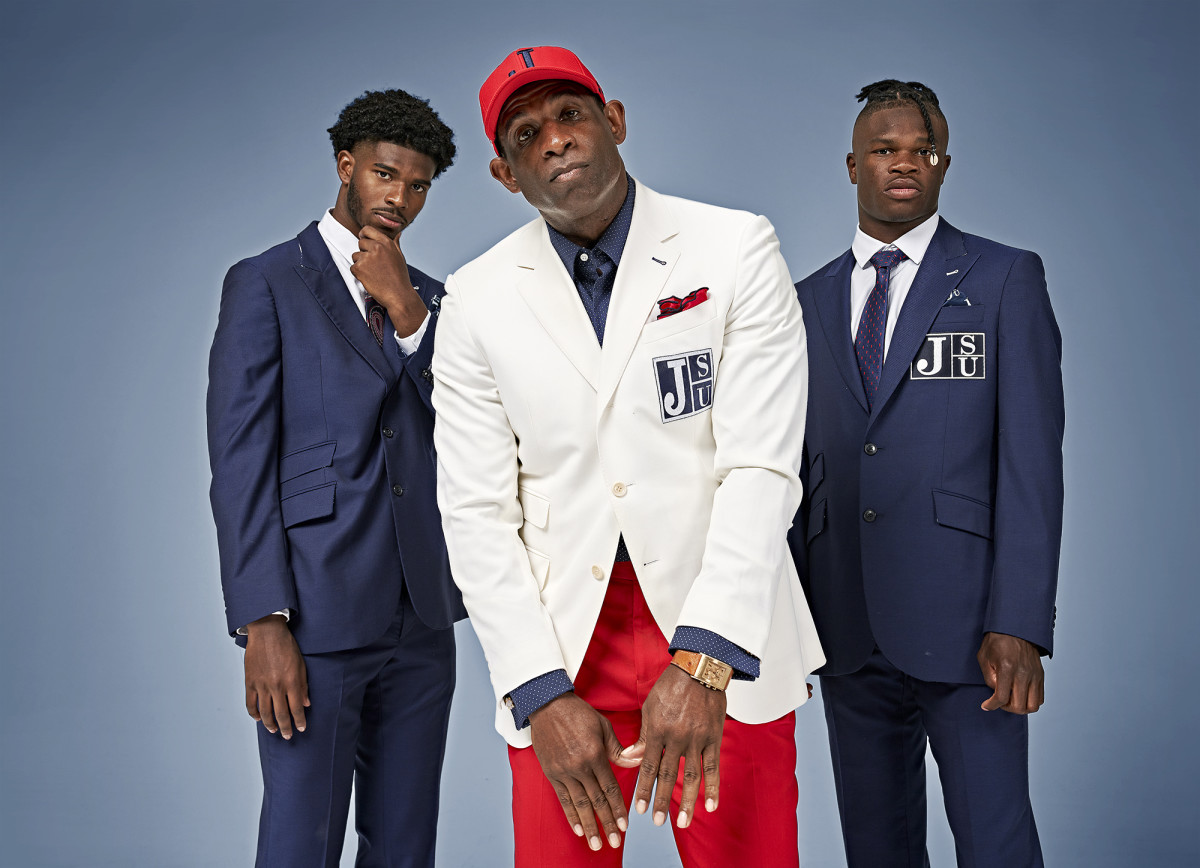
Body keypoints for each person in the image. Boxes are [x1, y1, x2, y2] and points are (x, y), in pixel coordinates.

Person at [431, 46, 824, 868]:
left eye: (570, 114)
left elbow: (761, 467)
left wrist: (706, 659)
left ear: (612, 121)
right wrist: (539, 691)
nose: (554, 139)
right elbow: (474, 512)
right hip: (562, 646)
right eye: (526, 134)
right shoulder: (475, 297)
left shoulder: (734, 246)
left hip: (721, 621)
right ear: (506, 174)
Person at [789, 80, 1064, 867]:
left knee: (995, 844)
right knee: (876, 849)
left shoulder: (1003, 279)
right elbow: (788, 469)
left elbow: (1032, 462)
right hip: (845, 624)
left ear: (944, 164)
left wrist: (1020, 622)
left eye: (923, 150)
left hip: (971, 626)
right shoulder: (802, 301)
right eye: (885, 149)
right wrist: (789, 625)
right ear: (853, 165)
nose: (905, 163)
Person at [206, 88, 466, 867]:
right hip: (315, 616)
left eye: (418, 186)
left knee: (406, 847)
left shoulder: (434, 302)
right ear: (347, 165)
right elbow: (240, 460)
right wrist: (263, 621)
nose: (400, 199)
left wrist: (408, 312)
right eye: (386, 175)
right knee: (301, 843)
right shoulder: (266, 282)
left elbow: (472, 430)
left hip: (423, 617)